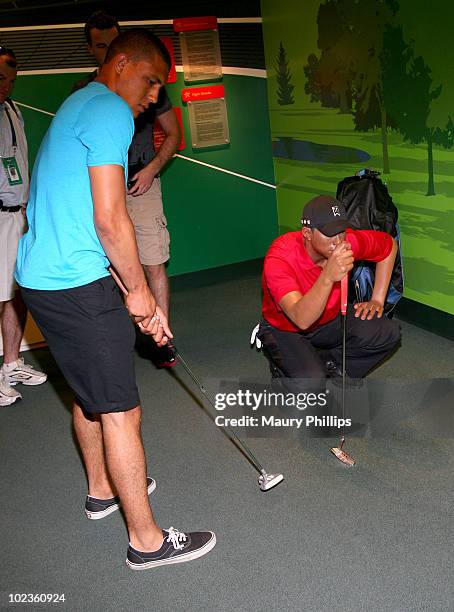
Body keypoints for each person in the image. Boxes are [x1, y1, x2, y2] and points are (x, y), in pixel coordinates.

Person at [16, 29, 215, 570]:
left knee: (87, 394)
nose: (154, 98)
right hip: (75, 283)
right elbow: (110, 218)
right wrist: (142, 297)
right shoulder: (108, 110)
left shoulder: (77, 101)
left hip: (41, 276)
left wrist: (129, 290)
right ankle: (147, 541)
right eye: (151, 82)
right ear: (121, 62)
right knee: (122, 411)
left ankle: (102, 489)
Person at [73, 12, 181, 367]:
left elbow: (174, 134)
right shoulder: (86, 94)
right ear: (92, 49)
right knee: (113, 268)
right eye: (99, 45)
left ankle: (163, 339)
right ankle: (122, 340)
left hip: (142, 183)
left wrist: (152, 169)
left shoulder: (147, 88)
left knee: (152, 264)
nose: (151, 95)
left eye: (111, 43)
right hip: (106, 187)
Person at [258, 195, 401, 383]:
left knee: (388, 333)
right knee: (310, 382)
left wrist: (377, 299)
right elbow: (301, 319)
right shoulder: (280, 257)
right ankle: (286, 370)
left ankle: (331, 366)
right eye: (330, 233)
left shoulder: (347, 242)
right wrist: (327, 276)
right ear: (307, 233)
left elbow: (389, 246)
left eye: (341, 231)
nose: (339, 240)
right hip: (287, 328)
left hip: (329, 318)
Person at [0, 46, 46, 407]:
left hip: (19, 213)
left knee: (17, 293)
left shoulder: (12, 109)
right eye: (1, 79)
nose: (6, 86)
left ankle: (11, 363)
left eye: (12, 81)